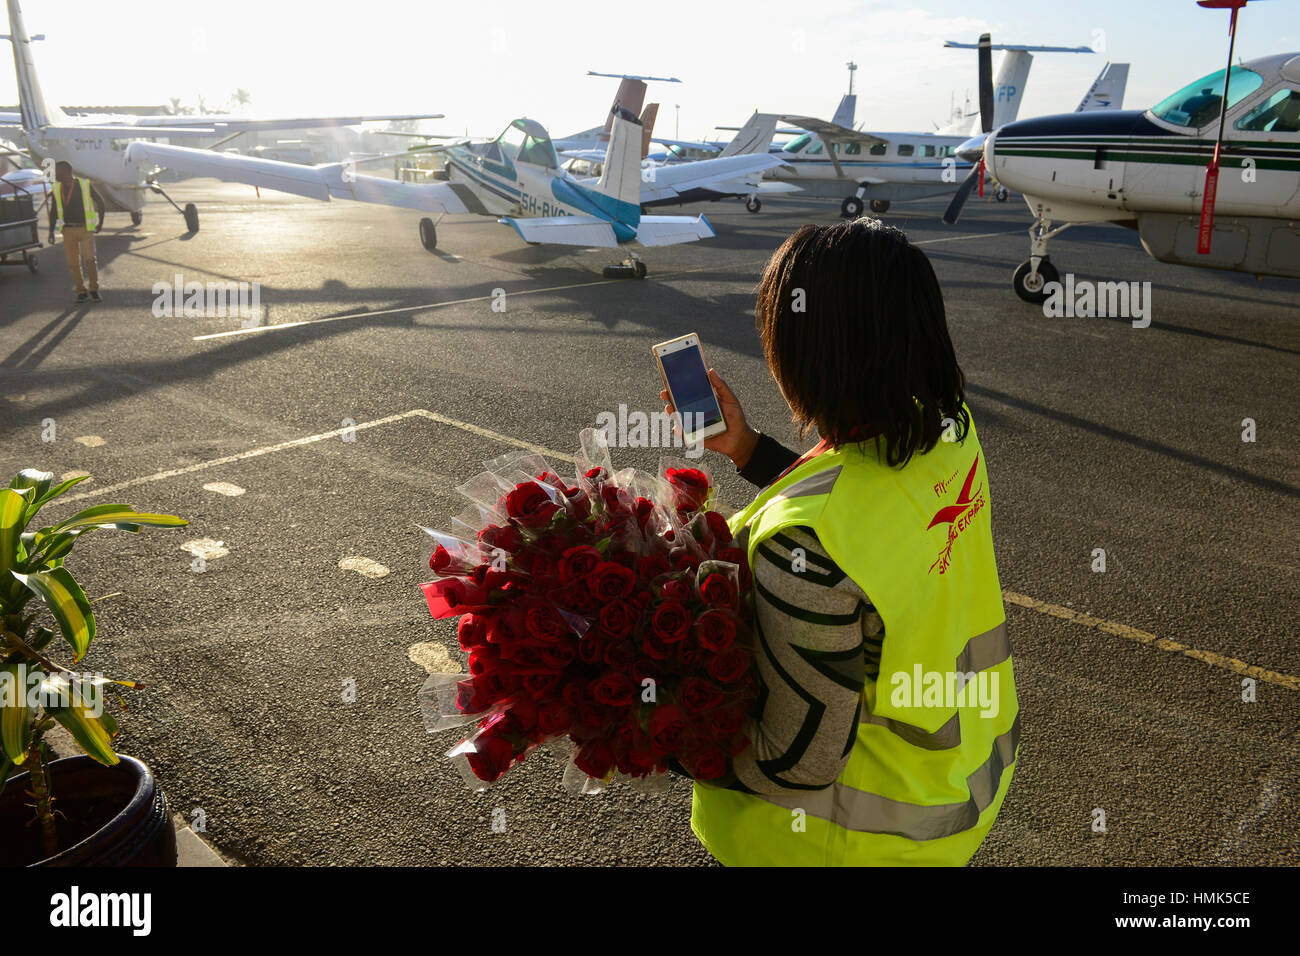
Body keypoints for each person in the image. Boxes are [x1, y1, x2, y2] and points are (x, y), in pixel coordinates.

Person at [660, 218, 1019, 866]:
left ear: (801, 354)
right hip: (959, 780)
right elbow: (871, 508)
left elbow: (795, 760)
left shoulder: (804, 543)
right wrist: (746, 449)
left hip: (844, 845)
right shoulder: (950, 436)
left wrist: (649, 730)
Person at [47, 161, 104, 302]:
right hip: (68, 230)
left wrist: (100, 223)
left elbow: (100, 201)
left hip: (85, 229)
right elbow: (54, 211)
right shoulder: (56, 188)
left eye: (57, 171)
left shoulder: (83, 185)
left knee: (90, 259)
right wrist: (51, 232)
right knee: (73, 263)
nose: (55, 174)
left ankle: (94, 289)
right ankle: (81, 291)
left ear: (67, 171)